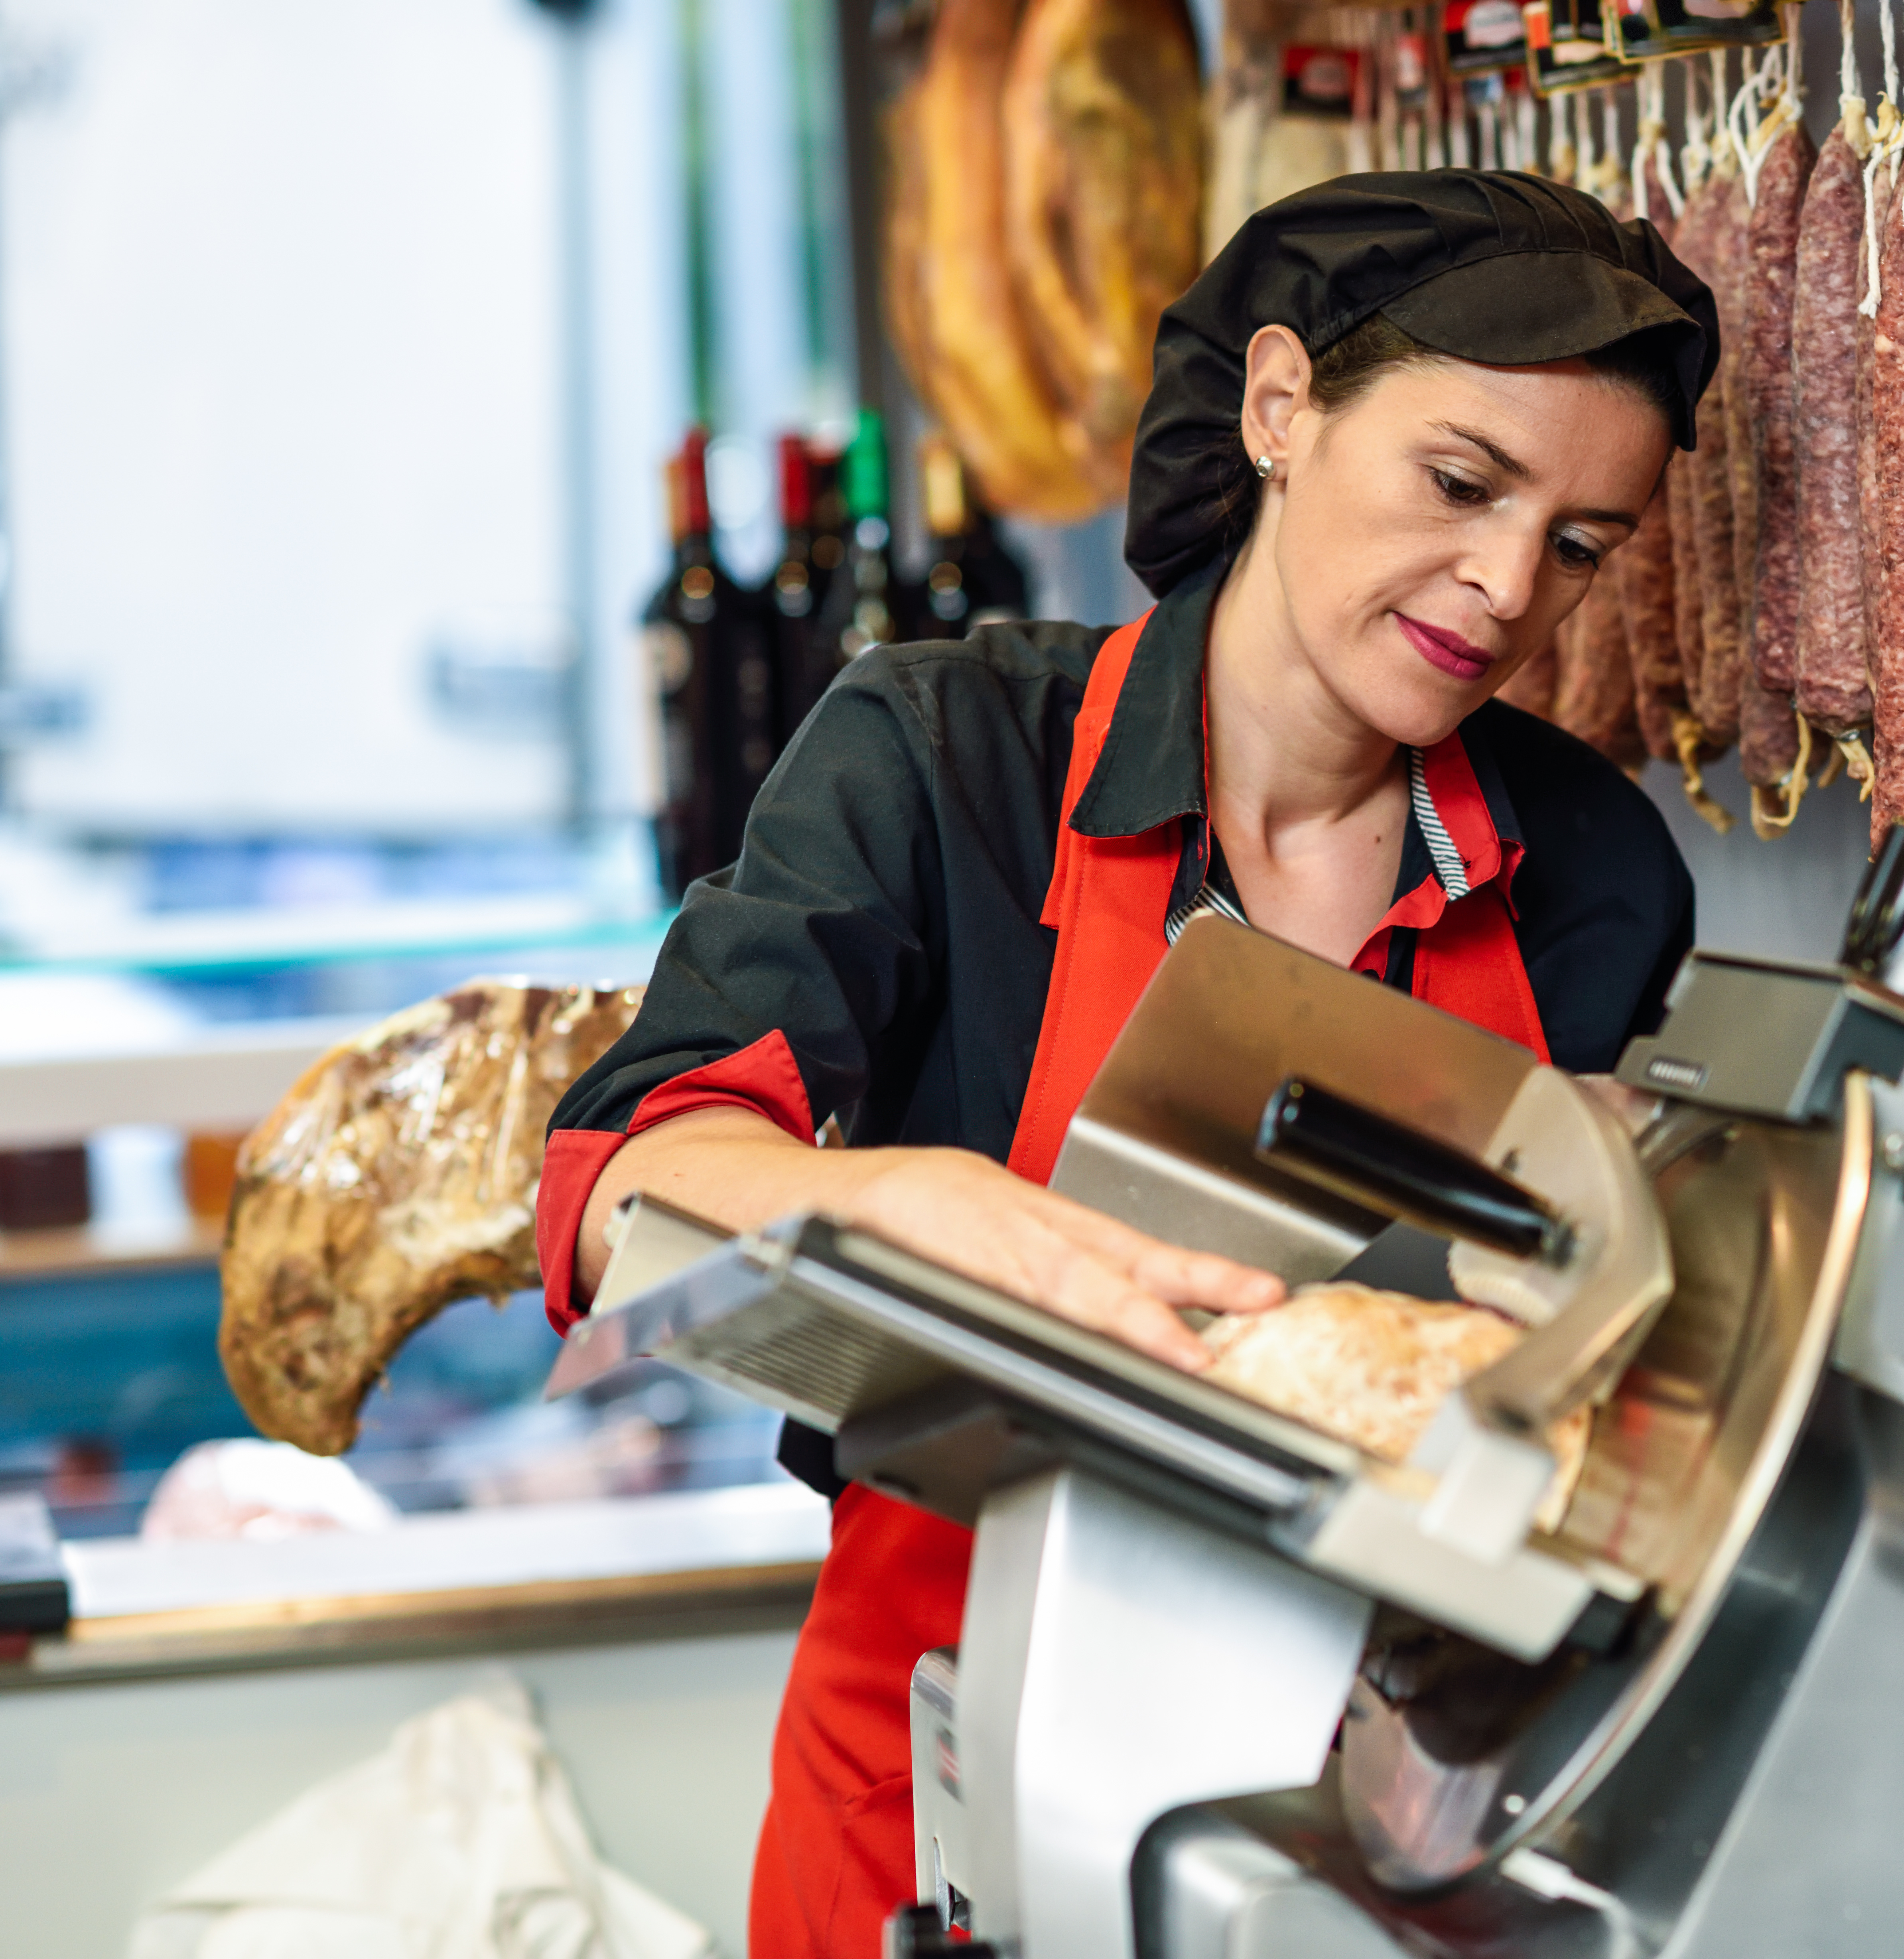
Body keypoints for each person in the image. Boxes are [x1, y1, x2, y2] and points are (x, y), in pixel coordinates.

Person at [536, 170, 1713, 1957]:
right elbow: (624, 1182)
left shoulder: (1594, 873)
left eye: (1577, 544)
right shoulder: (948, 758)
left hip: (1385, 1841)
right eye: (1461, 484)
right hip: (940, 1810)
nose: (1501, 586)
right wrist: (905, 1205)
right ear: (1279, 409)